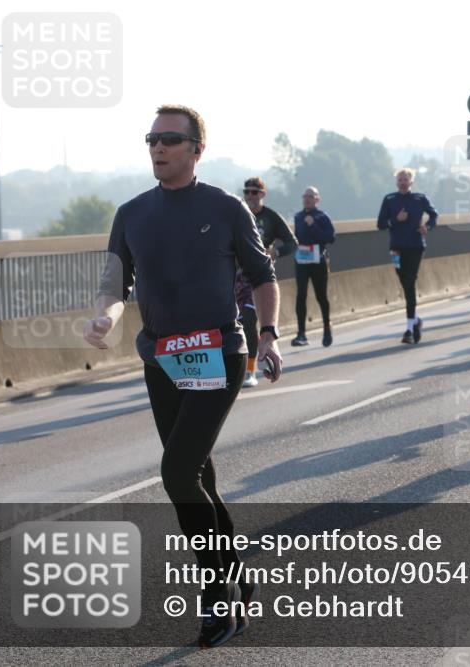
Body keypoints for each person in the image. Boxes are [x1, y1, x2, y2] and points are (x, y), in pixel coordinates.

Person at [84, 104, 281, 648]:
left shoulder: (226, 208)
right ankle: (236, 575)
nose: (158, 147)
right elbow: (115, 283)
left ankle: (216, 597)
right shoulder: (131, 213)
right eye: (152, 138)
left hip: (218, 353)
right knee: (198, 478)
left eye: (170, 139)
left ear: (197, 149)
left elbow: (264, 277)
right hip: (163, 360)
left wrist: (268, 334)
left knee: (176, 473)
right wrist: (107, 315)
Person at [237, 177, 296, 386]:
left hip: (259, 278)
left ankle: (250, 371)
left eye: (254, 192)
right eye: (247, 192)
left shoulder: (271, 217)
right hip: (236, 278)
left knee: (249, 321)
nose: (250, 196)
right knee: (236, 324)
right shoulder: (238, 214)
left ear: (263, 194)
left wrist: (275, 251)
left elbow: (292, 244)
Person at [377, 168, 439, 344]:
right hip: (396, 248)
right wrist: (396, 219)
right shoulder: (389, 199)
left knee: (410, 281)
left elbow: (434, 215)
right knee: (405, 284)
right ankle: (416, 320)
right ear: (396, 182)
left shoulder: (420, 198)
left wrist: (428, 226)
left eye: (406, 179)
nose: (403, 182)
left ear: (412, 182)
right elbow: (381, 224)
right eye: (400, 179)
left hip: (415, 246)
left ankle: (409, 329)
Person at [292, 186, 336, 347]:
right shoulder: (297, 217)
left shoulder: (322, 216)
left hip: (318, 261)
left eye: (311, 196)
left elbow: (331, 238)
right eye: (305, 196)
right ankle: (301, 333)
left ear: (317, 199)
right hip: (302, 261)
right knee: (301, 295)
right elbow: (296, 238)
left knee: (321, 296)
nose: (307, 199)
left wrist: (314, 226)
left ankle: (326, 326)